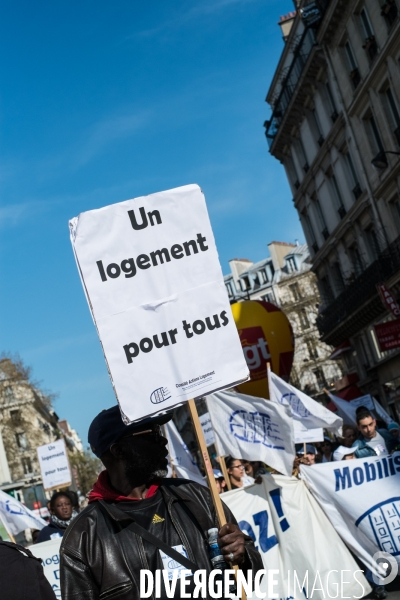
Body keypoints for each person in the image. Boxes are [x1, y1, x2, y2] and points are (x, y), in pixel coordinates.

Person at [60, 407, 263, 600]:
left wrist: (243, 556)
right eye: (152, 434)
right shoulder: (83, 537)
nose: (163, 440)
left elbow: (253, 576)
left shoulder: (197, 497)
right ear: (118, 451)